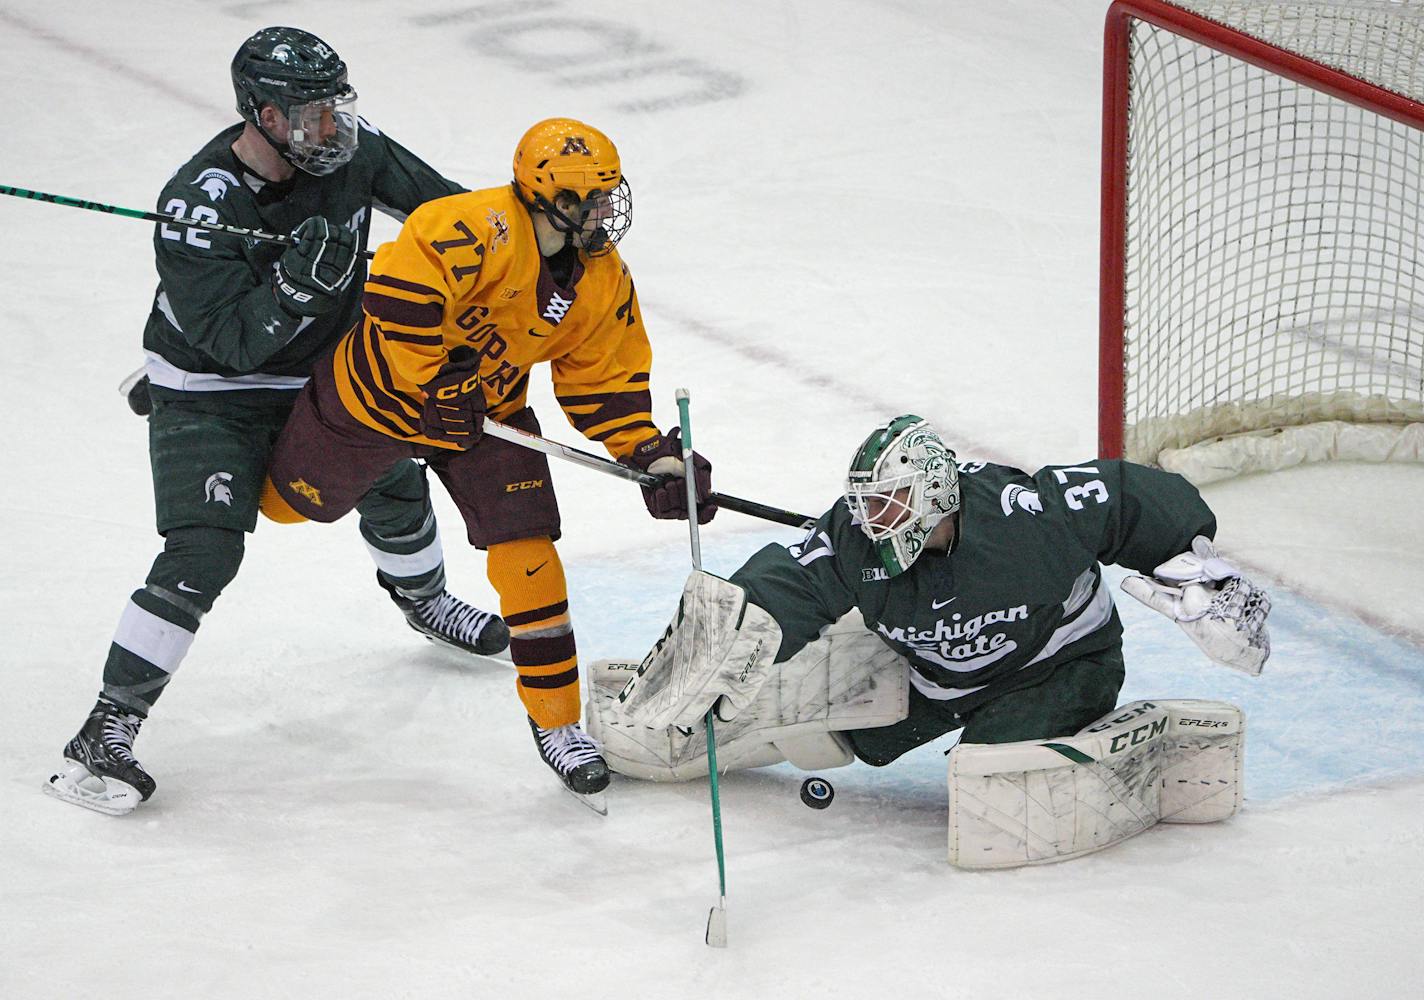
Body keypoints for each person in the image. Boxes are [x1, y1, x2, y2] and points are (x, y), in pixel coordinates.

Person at [45, 27, 507, 817]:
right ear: (261, 113)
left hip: (320, 367)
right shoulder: (199, 202)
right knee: (203, 551)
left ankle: (423, 599)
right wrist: (295, 292)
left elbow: (451, 218)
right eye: (311, 115)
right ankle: (107, 727)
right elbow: (227, 342)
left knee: (393, 462)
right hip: (208, 385)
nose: (332, 128)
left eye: (336, 107)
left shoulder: (355, 153)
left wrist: (523, 247)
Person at [257, 117, 717, 808]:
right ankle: (246, 403)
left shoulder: (600, 279)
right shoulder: (473, 227)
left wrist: (648, 451)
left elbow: (604, 382)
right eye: (590, 198)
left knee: (529, 555)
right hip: (375, 400)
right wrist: (437, 380)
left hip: (488, 420)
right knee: (283, 508)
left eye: (606, 193)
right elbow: (397, 293)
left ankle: (557, 723)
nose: (605, 210)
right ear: (547, 197)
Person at [599, 413, 1270, 794]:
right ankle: (684, 731)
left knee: (990, 785)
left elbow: (1128, 497)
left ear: (936, 494)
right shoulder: (856, 540)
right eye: (865, 505)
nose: (872, 521)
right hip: (936, 674)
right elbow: (789, 580)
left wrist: (1198, 567)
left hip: (1061, 665)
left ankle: (1138, 755)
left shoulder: (1023, 515)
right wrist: (722, 630)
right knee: (822, 731)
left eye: (889, 504)